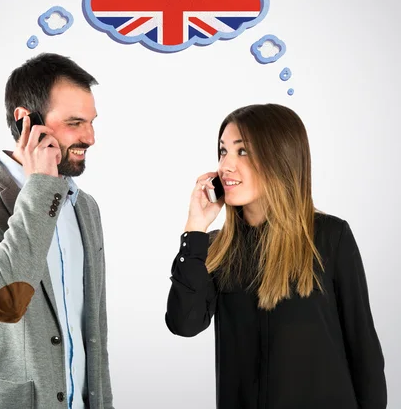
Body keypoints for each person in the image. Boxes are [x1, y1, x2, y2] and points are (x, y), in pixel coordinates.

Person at [165, 103, 387, 409]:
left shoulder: (329, 237)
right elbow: (184, 323)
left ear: (279, 158)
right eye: (223, 151)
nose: (226, 165)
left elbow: (364, 352)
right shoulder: (215, 248)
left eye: (242, 151)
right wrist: (195, 230)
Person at [0, 53, 114, 409]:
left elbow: (92, 334)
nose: (90, 137)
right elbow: (3, 302)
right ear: (27, 120)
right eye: (75, 123)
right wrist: (40, 187)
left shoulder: (84, 206)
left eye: (91, 122)